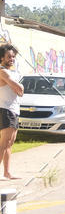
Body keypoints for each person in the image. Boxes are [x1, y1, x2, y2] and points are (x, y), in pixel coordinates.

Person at [0, 45, 23, 180]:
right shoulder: (3, 72)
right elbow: (18, 88)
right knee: (4, 143)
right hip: (5, 110)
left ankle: (7, 173)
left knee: (10, 143)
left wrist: (20, 88)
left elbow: (20, 91)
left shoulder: (10, 72)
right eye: (9, 56)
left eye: (13, 56)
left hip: (13, 110)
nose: (12, 59)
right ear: (2, 57)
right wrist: (20, 87)